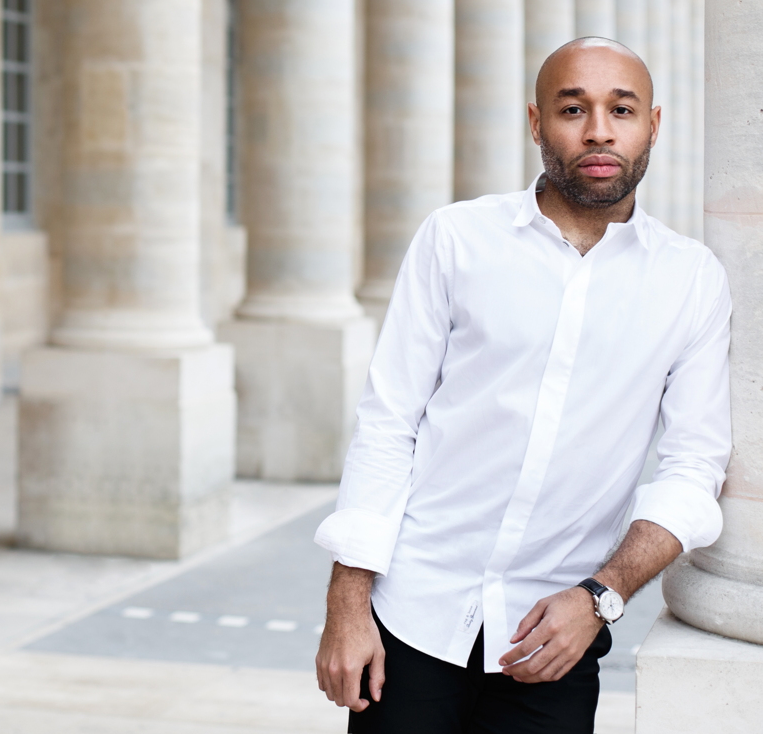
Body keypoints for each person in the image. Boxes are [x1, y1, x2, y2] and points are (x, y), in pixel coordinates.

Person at [313, 37, 731, 734]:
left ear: (652, 125)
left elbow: (695, 465)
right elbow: (390, 423)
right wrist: (348, 606)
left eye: (620, 109)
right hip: (413, 618)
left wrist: (603, 597)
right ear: (537, 124)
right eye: (573, 108)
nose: (599, 129)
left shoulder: (690, 282)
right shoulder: (455, 240)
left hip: (553, 639)